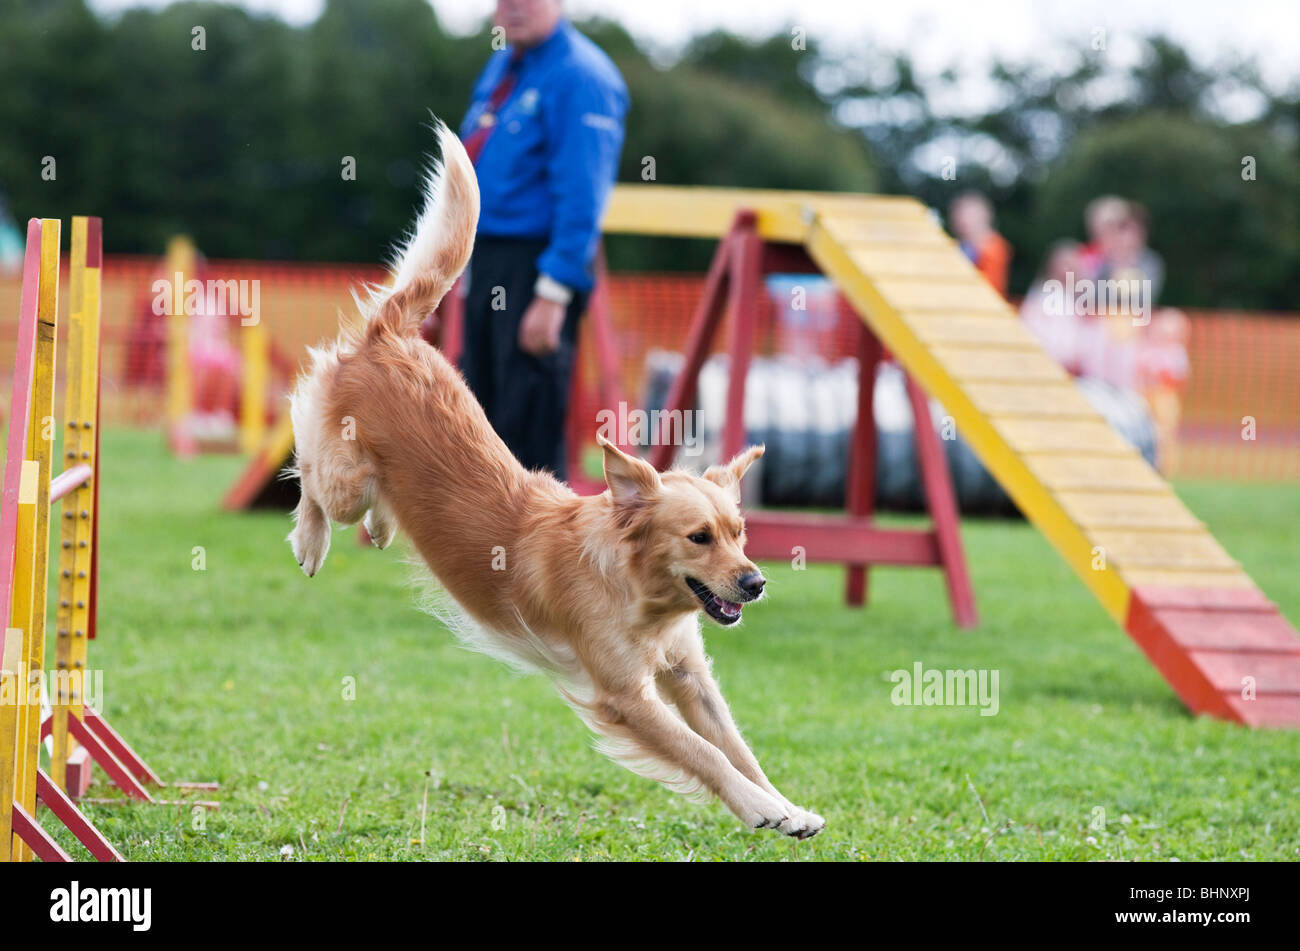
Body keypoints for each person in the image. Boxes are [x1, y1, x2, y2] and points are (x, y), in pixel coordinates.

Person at [450, 0, 628, 479]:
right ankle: (483, 553)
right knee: (480, 427)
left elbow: (582, 196)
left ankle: (534, 554)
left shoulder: (581, 76)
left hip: (537, 266)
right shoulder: (504, 65)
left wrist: (553, 294)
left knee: (525, 435)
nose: (512, 8)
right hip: (487, 259)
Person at [948, 191, 1012, 298]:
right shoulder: (962, 246)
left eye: (967, 215)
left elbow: (989, 286)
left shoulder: (993, 248)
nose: (962, 220)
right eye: (959, 215)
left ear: (983, 216)